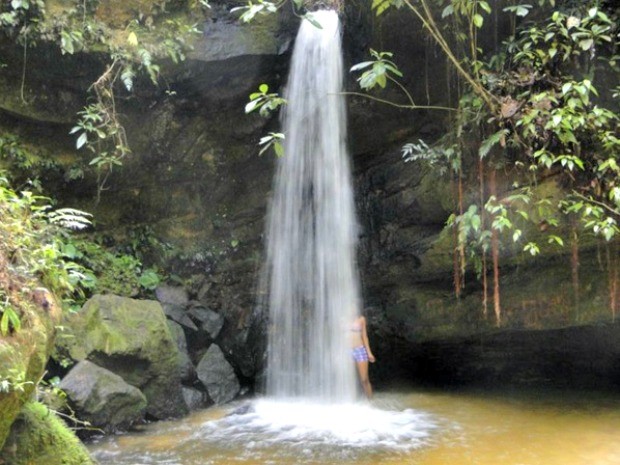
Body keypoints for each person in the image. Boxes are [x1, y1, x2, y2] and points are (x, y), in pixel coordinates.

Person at [350, 314, 375, 399]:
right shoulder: (342, 318)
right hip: (345, 351)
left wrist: (369, 353)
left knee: (364, 379)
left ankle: (370, 401)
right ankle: (350, 401)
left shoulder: (361, 319)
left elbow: (364, 336)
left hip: (359, 350)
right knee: (346, 379)